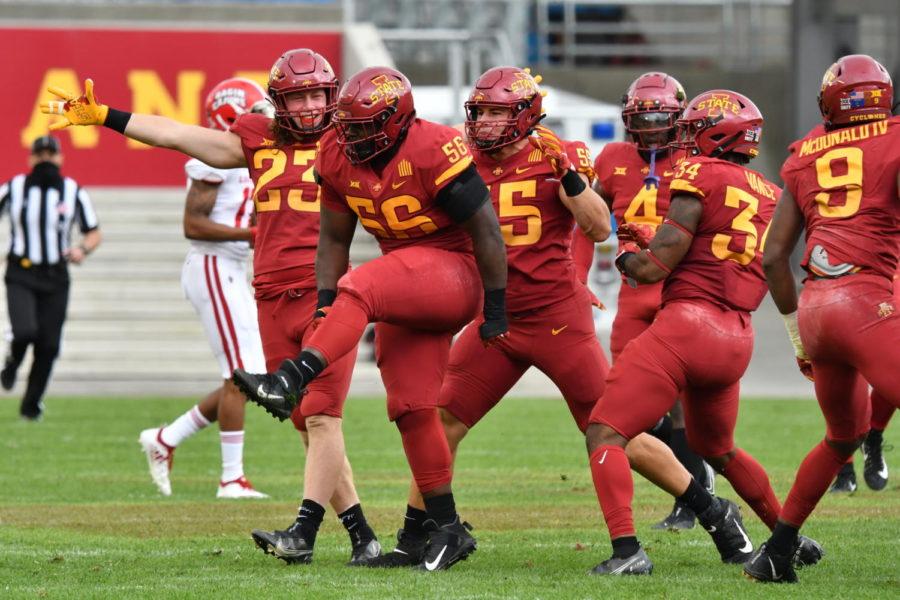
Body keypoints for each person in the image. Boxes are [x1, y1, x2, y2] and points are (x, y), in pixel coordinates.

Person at [41, 49, 381, 565]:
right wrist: (106, 116)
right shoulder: (258, 140)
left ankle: (304, 534)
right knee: (304, 420)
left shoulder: (350, 142)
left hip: (326, 296)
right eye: (299, 96)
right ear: (278, 102)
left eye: (317, 94)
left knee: (322, 419)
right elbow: (176, 134)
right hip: (268, 296)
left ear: (332, 96)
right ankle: (363, 538)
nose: (311, 106)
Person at [233, 66, 510, 571]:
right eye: (349, 126)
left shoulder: (434, 147)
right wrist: (322, 302)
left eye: (366, 127)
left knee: (359, 285)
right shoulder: (336, 153)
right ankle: (444, 529)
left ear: (398, 120)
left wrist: (494, 308)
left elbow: (488, 231)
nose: (354, 136)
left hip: (454, 271)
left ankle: (291, 378)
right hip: (405, 284)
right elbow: (333, 239)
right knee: (410, 407)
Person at [585, 89, 822, 575]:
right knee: (719, 448)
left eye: (694, 129)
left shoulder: (696, 172)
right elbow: (773, 265)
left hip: (688, 326)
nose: (686, 140)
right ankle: (786, 539)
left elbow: (656, 267)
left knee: (605, 431)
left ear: (715, 133)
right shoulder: (771, 193)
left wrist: (630, 255)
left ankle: (627, 552)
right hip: (737, 335)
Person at [745, 54, 899, 583]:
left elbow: (772, 257)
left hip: (815, 307)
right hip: (865, 299)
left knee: (841, 437)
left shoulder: (804, 152)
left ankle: (776, 552)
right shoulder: (895, 137)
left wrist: (795, 336)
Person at [592, 72, 715, 530]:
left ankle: (691, 497)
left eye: (662, 117)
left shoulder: (697, 156)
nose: (652, 128)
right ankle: (695, 476)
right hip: (633, 291)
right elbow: (588, 214)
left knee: (680, 398)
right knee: (623, 392)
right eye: (642, 118)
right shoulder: (612, 158)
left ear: (679, 117)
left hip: (679, 288)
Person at [138, 78, 271, 499]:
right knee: (240, 374)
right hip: (214, 264)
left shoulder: (244, 148)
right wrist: (251, 234)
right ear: (231, 116)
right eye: (254, 111)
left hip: (229, 265)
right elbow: (192, 224)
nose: (263, 118)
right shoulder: (214, 155)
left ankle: (167, 437)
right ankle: (231, 478)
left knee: (252, 374)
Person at [0, 135, 101, 421]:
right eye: (40, 154)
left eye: (50, 154)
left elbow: (93, 231)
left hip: (56, 274)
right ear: (31, 158)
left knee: (49, 345)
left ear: (60, 158)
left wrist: (82, 248)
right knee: (25, 332)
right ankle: (11, 362)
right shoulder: (15, 188)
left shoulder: (73, 191)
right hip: (21, 270)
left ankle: (31, 406)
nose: (45, 159)